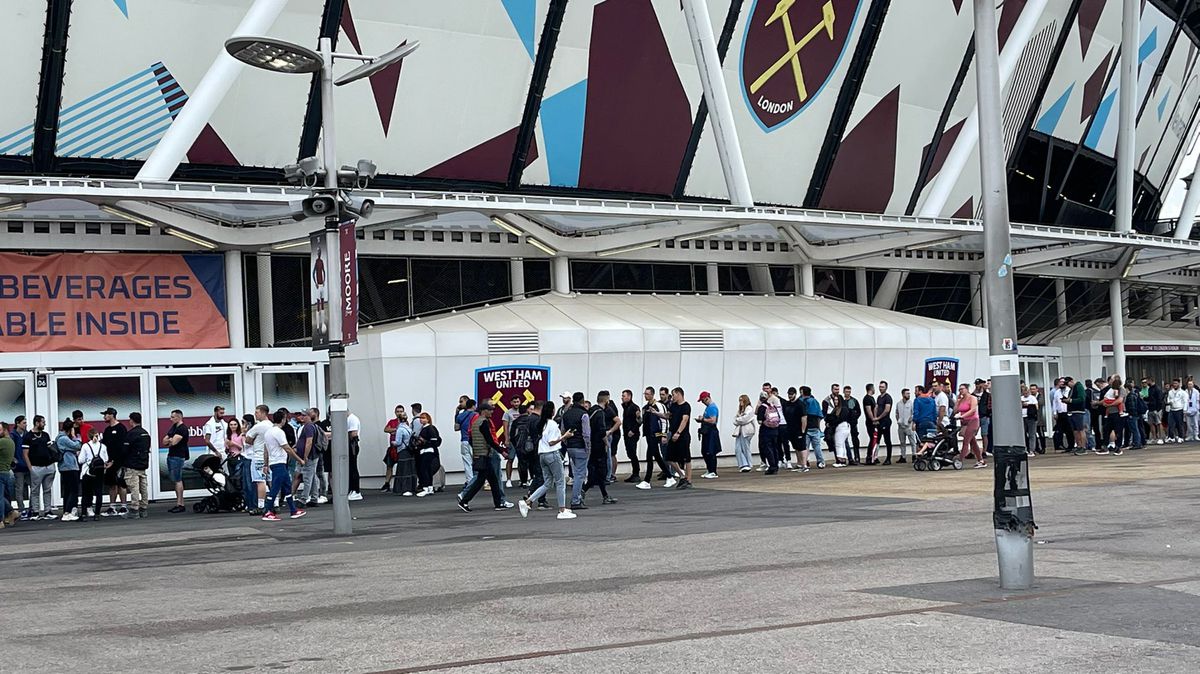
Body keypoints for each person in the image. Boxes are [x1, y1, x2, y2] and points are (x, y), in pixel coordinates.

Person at [517, 401, 575, 519]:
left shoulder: (542, 423)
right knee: (560, 482)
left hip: (542, 454)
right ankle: (562, 510)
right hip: (552, 454)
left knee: (548, 482)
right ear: (552, 411)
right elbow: (552, 442)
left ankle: (528, 501)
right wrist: (565, 436)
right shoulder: (552, 424)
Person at [457, 401, 512, 512]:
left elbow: (472, 439)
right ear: (484, 411)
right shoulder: (484, 422)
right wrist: (502, 451)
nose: (491, 412)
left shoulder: (475, 422)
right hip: (485, 455)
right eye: (490, 410)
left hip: (479, 454)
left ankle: (498, 503)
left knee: (492, 480)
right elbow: (490, 440)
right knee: (481, 481)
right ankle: (464, 501)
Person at [261, 409, 307, 521]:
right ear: (283, 419)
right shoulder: (279, 432)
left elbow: (266, 449)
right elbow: (287, 448)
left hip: (274, 462)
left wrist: (266, 464)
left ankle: (293, 510)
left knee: (287, 487)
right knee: (275, 487)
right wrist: (299, 459)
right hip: (279, 463)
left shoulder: (268, 432)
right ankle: (267, 511)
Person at [583, 395, 617, 505]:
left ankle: (605, 495)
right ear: (606, 401)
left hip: (591, 445)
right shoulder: (600, 413)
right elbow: (602, 431)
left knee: (596, 471)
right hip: (599, 446)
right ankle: (583, 490)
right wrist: (607, 443)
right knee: (600, 471)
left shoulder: (591, 411)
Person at [22, 415, 56, 520]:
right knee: (35, 490)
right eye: (43, 422)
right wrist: (30, 468)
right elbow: (25, 454)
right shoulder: (28, 436)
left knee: (48, 489)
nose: (44, 424)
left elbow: (51, 448)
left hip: (49, 466)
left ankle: (47, 511)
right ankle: (35, 511)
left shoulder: (45, 435)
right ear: (37, 423)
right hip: (36, 467)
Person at [243, 405, 274, 515]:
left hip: (259, 456)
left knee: (260, 481)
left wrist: (252, 439)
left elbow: (248, 440)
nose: (255, 414)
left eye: (257, 412)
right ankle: (275, 503)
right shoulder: (272, 425)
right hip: (270, 457)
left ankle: (260, 505)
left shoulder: (258, 426)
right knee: (270, 480)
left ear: (263, 413)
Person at [637, 387, 670, 489]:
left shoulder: (659, 406)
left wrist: (664, 434)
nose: (646, 396)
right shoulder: (645, 407)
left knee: (649, 456)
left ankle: (647, 480)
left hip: (656, 434)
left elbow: (664, 420)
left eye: (647, 394)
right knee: (657, 456)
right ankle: (669, 476)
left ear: (652, 394)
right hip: (648, 434)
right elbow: (642, 422)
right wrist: (638, 417)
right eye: (645, 394)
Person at [561, 392, 590, 506]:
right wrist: (588, 448)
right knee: (579, 475)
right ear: (582, 401)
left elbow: (563, 431)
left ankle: (576, 498)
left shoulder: (566, 414)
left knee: (576, 471)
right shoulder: (584, 414)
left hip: (570, 447)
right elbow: (586, 434)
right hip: (581, 446)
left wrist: (566, 442)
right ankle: (576, 500)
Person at [100, 408, 128, 518]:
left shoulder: (121, 428)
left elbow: (122, 447)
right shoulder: (107, 430)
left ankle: (124, 506)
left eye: (106, 415)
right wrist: (107, 461)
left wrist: (115, 461)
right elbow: (105, 447)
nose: (104, 417)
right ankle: (112, 506)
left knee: (121, 483)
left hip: (119, 461)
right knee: (111, 484)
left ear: (112, 415)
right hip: (109, 461)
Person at [124, 412, 152, 519]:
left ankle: (134, 509)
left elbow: (125, 450)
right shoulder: (145, 433)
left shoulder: (131, 434)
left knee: (134, 487)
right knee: (143, 486)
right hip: (143, 464)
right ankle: (144, 508)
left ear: (132, 420)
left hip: (132, 465)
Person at [664, 387, 693, 488]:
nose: (672, 397)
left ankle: (688, 480)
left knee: (686, 458)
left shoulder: (686, 406)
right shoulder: (673, 406)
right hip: (673, 434)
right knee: (669, 457)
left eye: (674, 395)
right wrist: (656, 413)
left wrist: (678, 432)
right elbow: (668, 416)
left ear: (679, 394)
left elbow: (684, 420)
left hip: (683, 435)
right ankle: (682, 476)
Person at [79, 428, 109, 521]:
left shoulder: (85, 446)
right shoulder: (103, 446)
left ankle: (84, 514)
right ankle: (97, 514)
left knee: (85, 494)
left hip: (88, 472)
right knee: (99, 493)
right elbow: (106, 459)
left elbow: (80, 460)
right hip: (99, 473)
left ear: (89, 436)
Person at [162, 409, 189, 513]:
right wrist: (169, 440)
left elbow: (174, 442)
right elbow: (164, 441)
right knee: (175, 479)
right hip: (172, 455)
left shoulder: (182, 429)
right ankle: (179, 503)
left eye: (173, 417)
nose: (171, 419)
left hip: (178, 456)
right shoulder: (174, 427)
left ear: (179, 417)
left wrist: (170, 440)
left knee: (178, 479)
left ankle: (180, 504)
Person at [56, 418, 83, 521]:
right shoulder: (64, 438)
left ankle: (67, 511)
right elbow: (77, 446)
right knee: (73, 490)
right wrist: (75, 437)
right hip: (69, 466)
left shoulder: (61, 438)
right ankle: (67, 512)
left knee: (68, 490)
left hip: (66, 466)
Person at [293, 409, 321, 505]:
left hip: (310, 456)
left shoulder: (308, 427)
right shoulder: (309, 426)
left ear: (308, 416)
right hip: (312, 455)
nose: (301, 417)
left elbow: (309, 442)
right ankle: (314, 498)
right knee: (311, 477)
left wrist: (305, 456)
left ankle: (304, 499)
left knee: (307, 478)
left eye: (304, 415)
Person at [955, 384, 983, 468]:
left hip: (973, 421)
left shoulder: (972, 398)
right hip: (964, 422)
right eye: (959, 389)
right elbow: (956, 410)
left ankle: (960, 459)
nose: (961, 391)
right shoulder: (961, 399)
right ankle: (980, 460)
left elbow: (973, 410)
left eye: (962, 389)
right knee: (973, 441)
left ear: (967, 389)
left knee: (966, 441)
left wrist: (962, 416)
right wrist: (957, 400)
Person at [502, 395, 525, 488]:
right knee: (510, 459)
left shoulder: (523, 412)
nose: (516, 403)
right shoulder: (507, 413)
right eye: (514, 402)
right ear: (511, 403)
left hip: (522, 440)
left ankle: (522, 479)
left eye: (517, 401)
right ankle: (508, 479)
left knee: (522, 460)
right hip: (512, 440)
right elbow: (505, 427)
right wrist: (506, 439)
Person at [620, 390, 642, 483]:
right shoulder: (625, 407)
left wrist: (633, 430)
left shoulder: (634, 407)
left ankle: (636, 473)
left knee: (632, 453)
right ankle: (634, 473)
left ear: (629, 396)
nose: (622, 397)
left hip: (632, 434)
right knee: (629, 453)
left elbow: (640, 421)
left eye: (624, 396)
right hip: (626, 433)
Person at [799, 386, 823, 471]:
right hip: (815, 426)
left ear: (802, 392)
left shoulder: (802, 402)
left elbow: (801, 415)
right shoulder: (815, 401)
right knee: (817, 446)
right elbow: (820, 415)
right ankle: (820, 461)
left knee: (805, 447)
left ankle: (805, 462)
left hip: (805, 428)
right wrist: (818, 426)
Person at [382, 404, 405, 492]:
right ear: (395, 412)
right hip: (392, 448)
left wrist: (394, 431)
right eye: (398, 411)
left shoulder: (405, 422)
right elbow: (386, 429)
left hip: (401, 448)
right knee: (389, 466)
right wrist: (396, 430)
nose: (399, 413)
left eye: (401, 411)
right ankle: (387, 484)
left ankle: (402, 484)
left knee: (402, 467)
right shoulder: (392, 421)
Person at [698, 391, 721, 479]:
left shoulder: (712, 408)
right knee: (705, 451)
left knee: (710, 451)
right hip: (707, 431)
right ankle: (709, 469)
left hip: (711, 431)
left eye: (703, 400)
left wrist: (703, 419)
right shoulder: (708, 408)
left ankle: (713, 471)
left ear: (706, 398)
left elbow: (713, 420)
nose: (702, 402)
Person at [454, 398, 477, 485]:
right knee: (478, 461)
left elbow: (456, 428)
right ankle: (479, 480)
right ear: (473, 406)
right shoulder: (476, 415)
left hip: (464, 440)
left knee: (467, 462)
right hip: (475, 441)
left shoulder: (460, 416)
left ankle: (470, 481)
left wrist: (456, 413)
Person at [1101, 377, 1126, 454]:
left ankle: (1118, 447)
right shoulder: (1111, 389)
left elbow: (1119, 400)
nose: (1111, 382)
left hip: (1117, 413)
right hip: (1110, 413)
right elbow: (1106, 398)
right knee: (1106, 429)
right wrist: (1103, 403)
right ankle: (1105, 446)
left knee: (1118, 430)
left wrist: (1109, 404)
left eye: (1112, 380)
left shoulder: (1121, 389)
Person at [10, 416, 28, 521]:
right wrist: (14, 459)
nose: (25, 425)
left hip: (28, 464)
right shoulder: (13, 435)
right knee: (19, 488)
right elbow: (11, 448)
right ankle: (21, 509)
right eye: (24, 423)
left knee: (33, 487)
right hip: (18, 467)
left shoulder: (27, 434)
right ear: (18, 423)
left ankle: (31, 508)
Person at [732, 394, 756, 472]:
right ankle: (743, 464)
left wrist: (738, 420)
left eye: (741, 400)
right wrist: (738, 420)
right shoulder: (740, 409)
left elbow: (745, 419)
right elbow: (735, 419)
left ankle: (748, 464)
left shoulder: (749, 409)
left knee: (745, 448)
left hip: (747, 431)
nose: (740, 402)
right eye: (739, 400)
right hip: (740, 431)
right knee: (738, 448)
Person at [895, 388, 917, 463]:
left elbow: (914, 413)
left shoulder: (911, 403)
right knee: (902, 442)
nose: (908, 395)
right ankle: (903, 456)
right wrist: (898, 420)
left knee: (912, 441)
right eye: (907, 393)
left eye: (909, 393)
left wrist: (912, 419)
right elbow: (897, 412)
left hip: (909, 426)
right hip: (901, 426)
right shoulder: (899, 403)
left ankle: (914, 455)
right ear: (903, 394)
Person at [345, 410, 363, 500]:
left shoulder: (352, 419)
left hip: (352, 445)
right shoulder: (349, 419)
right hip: (351, 445)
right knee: (350, 468)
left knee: (353, 468)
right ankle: (352, 489)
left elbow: (354, 433)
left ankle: (356, 491)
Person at [875, 381, 894, 465]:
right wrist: (875, 418)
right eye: (880, 386)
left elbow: (887, 410)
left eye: (882, 387)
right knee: (877, 439)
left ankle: (888, 458)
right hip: (879, 422)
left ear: (886, 388)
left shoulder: (888, 397)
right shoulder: (879, 397)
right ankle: (875, 457)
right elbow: (877, 407)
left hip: (885, 421)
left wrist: (879, 417)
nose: (880, 388)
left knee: (887, 440)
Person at [0, 423, 15, 529]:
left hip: (0, 472)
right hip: (6, 471)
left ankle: (0, 520)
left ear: (4, 430)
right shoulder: (11, 442)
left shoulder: (2, 442)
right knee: (2, 497)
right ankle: (11, 512)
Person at [842, 385, 862, 465]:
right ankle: (846, 458)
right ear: (844, 392)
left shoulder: (854, 400)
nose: (848, 393)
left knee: (855, 439)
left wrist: (854, 417)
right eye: (846, 392)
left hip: (853, 423)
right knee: (844, 440)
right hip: (844, 423)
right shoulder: (842, 401)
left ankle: (857, 457)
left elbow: (859, 411)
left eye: (849, 392)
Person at [830, 395, 851, 468]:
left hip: (842, 427)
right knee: (842, 444)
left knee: (839, 444)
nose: (835, 401)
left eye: (837, 400)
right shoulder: (836, 409)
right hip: (842, 427)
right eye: (834, 400)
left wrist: (832, 422)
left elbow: (841, 419)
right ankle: (843, 460)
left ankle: (839, 460)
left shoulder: (843, 409)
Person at [1144, 377, 1165, 445]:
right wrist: (1144, 398)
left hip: (1156, 409)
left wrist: (1158, 409)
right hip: (1150, 408)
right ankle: (1154, 437)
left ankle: (1161, 438)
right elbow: (1150, 398)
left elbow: (1159, 399)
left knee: (1158, 423)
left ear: (1151, 381)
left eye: (1147, 381)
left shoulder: (1157, 389)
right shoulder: (1150, 389)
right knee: (1151, 423)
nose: (1147, 383)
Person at [1166, 379, 1187, 443]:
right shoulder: (1170, 392)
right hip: (1172, 410)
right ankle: (1171, 437)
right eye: (1174, 383)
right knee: (1170, 424)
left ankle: (1181, 437)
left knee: (1179, 424)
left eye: (1176, 383)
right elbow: (1168, 399)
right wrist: (1169, 402)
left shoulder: (1183, 392)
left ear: (1179, 384)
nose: (1175, 385)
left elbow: (1185, 402)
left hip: (1179, 409)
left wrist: (1185, 410)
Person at [1021, 385, 1039, 457]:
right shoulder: (1021, 398)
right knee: (1023, 434)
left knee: (1032, 434)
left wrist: (1028, 405)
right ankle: (1024, 449)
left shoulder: (1032, 398)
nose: (1025, 394)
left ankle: (1032, 450)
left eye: (1026, 393)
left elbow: (1036, 407)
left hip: (1030, 417)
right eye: (1024, 393)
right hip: (1022, 417)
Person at [862, 384, 878, 464]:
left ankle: (872, 457)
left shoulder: (872, 398)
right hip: (870, 422)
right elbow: (868, 410)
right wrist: (873, 419)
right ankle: (869, 457)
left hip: (872, 421)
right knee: (872, 438)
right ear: (871, 389)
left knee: (873, 439)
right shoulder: (867, 399)